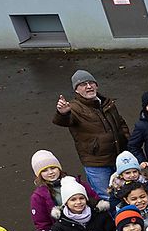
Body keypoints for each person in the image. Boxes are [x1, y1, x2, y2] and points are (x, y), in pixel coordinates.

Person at [53, 69, 131, 197]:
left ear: (96, 85)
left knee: (126, 193)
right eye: (83, 84)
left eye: (91, 83)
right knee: (106, 197)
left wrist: (128, 141)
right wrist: (63, 113)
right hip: (96, 164)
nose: (88, 86)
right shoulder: (74, 108)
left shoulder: (107, 103)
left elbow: (121, 123)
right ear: (76, 90)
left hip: (118, 157)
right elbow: (63, 121)